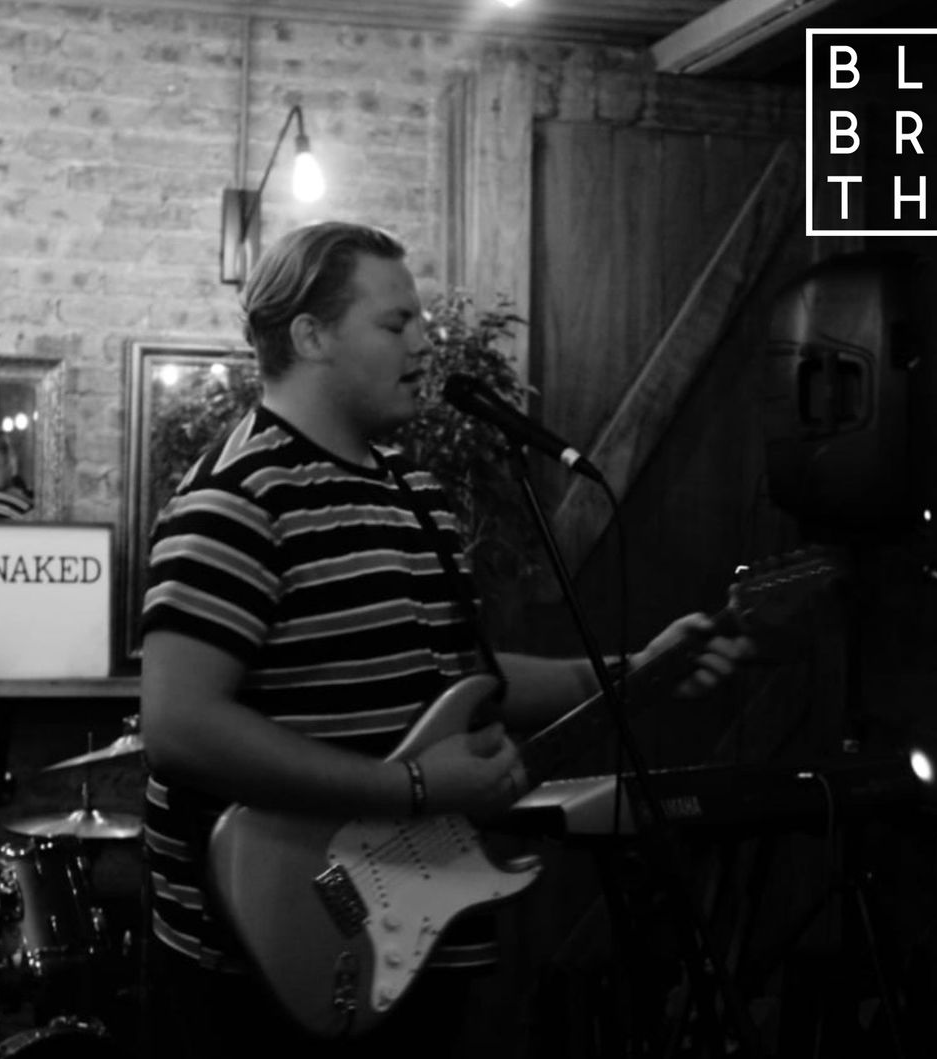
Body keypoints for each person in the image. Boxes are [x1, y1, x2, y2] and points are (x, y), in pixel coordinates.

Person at [136, 222, 757, 1059]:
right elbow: (180, 727)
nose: (425, 343)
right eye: (396, 323)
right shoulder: (238, 496)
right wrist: (416, 787)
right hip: (264, 953)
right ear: (312, 335)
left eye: (420, 322)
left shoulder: (416, 494)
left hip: (411, 933)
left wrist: (636, 669)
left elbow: (462, 679)